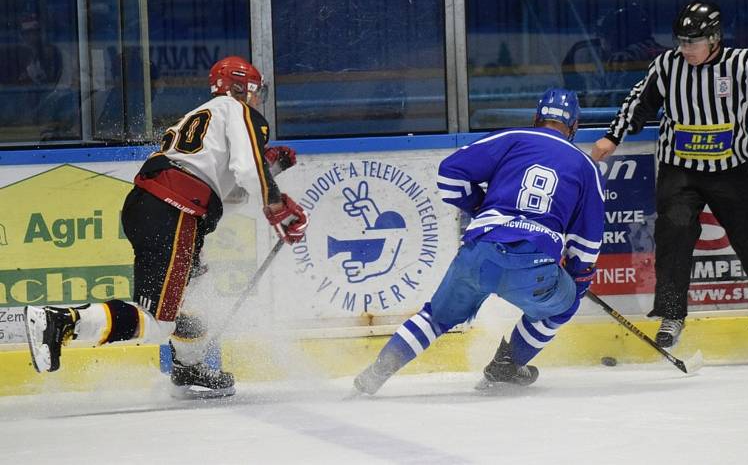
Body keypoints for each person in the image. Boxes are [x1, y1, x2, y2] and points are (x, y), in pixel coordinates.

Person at [23, 56, 308, 397]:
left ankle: (189, 368)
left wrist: (269, 170)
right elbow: (248, 170)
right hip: (174, 211)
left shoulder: (200, 118)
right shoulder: (237, 110)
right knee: (159, 321)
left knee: (194, 294)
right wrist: (276, 202)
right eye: (254, 90)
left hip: (150, 205)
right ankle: (61, 320)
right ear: (237, 88)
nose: (258, 98)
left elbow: (227, 193)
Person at [352, 88, 605, 395]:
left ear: (536, 118)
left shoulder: (512, 138)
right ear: (574, 127)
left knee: (433, 318)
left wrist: (479, 207)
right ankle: (506, 367)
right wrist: (578, 278)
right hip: (533, 263)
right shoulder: (586, 167)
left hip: (480, 249)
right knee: (564, 305)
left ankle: (375, 374)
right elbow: (587, 242)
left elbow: (449, 174)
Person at [591, 0, 748, 355]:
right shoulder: (667, 66)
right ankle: (671, 317)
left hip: (730, 172)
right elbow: (638, 101)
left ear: (714, 38)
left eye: (694, 42)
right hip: (680, 171)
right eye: (682, 41)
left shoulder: (743, 64)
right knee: (673, 238)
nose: (686, 49)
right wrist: (613, 136)